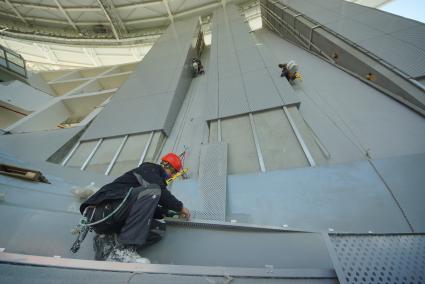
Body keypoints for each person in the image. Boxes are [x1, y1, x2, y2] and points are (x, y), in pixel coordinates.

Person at [79, 153, 191, 263]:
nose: (172, 176)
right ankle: (124, 249)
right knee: (154, 190)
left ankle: (108, 245)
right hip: (102, 210)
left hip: (114, 216)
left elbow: (146, 208)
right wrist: (180, 207)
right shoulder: (149, 169)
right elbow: (159, 192)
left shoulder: (147, 188)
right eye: (173, 172)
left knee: (159, 229)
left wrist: (168, 212)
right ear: (167, 166)